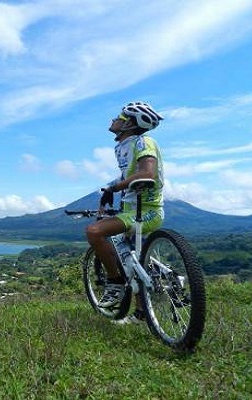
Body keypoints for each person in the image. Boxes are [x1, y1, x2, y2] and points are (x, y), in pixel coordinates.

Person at [85, 101, 164, 324]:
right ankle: (141, 314)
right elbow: (126, 175)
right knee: (134, 260)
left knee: (94, 232)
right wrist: (110, 189)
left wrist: (116, 188)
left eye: (119, 116)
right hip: (131, 210)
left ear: (129, 123)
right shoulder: (124, 146)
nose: (113, 119)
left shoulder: (143, 142)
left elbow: (147, 172)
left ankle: (115, 283)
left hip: (145, 211)